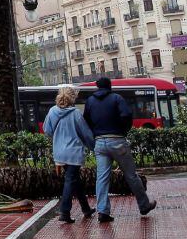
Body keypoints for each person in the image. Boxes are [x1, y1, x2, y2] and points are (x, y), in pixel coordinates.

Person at [84, 76, 157, 222]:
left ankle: (103, 211)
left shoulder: (90, 101)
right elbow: (126, 115)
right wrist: (123, 131)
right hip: (117, 140)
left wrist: (96, 132)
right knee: (131, 175)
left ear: (97, 87)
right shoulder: (116, 98)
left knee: (102, 178)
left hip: (99, 142)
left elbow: (86, 120)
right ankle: (144, 205)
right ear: (109, 86)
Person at [43, 85, 96, 223]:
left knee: (74, 180)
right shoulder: (75, 113)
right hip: (73, 152)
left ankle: (86, 208)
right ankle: (64, 212)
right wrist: (94, 147)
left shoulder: (52, 111)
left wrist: (58, 137)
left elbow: (47, 130)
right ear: (73, 98)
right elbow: (85, 134)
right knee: (70, 179)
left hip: (59, 152)